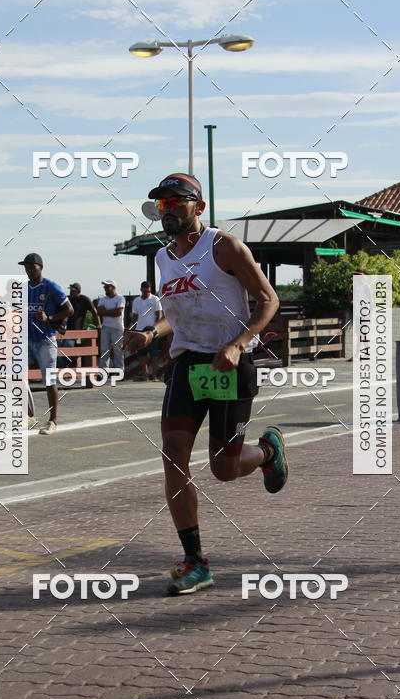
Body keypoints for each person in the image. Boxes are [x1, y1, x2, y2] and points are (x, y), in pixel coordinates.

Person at [124, 173, 288, 596]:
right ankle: (195, 561)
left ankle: (269, 451)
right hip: (186, 364)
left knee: (223, 468)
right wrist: (151, 334)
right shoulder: (163, 258)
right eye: (162, 205)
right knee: (173, 454)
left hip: (228, 364)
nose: (168, 211)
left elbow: (269, 299)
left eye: (176, 203)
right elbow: (175, 313)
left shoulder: (224, 246)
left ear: (198, 207)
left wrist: (237, 345)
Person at [19, 252, 73, 435]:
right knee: (18, 376)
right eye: (25, 267)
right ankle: (29, 415)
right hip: (27, 338)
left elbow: (69, 309)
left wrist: (48, 317)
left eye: (31, 267)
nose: (28, 270)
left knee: (49, 381)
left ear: (40, 267)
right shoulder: (23, 288)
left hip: (45, 339)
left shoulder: (51, 287)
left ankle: (53, 420)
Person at [57, 282, 101, 367]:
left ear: (78, 291)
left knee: (68, 346)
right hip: (63, 329)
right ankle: (62, 368)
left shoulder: (84, 299)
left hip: (75, 329)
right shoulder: (67, 299)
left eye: (73, 290)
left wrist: (98, 324)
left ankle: (68, 368)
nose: (71, 292)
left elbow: (94, 312)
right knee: (57, 347)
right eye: (70, 290)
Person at [131, 281, 163, 381]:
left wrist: (156, 329)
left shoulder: (155, 299)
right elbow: (135, 317)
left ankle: (154, 376)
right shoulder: (136, 301)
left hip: (152, 331)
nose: (146, 293)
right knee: (142, 354)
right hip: (140, 330)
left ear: (150, 290)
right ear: (141, 290)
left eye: (148, 291)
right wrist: (132, 329)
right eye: (144, 291)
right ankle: (145, 375)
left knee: (154, 354)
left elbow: (159, 314)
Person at [97, 280, 125, 372]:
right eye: (104, 287)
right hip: (105, 327)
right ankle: (104, 371)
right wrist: (112, 311)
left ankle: (119, 371)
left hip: (117, 328)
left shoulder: (120, 298)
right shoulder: (103, 299)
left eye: (107, 287)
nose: (105, 288)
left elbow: (118, 313)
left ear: (113, 287)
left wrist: (106, 312)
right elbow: (99, 312)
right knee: (104, 349)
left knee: (118, 350)